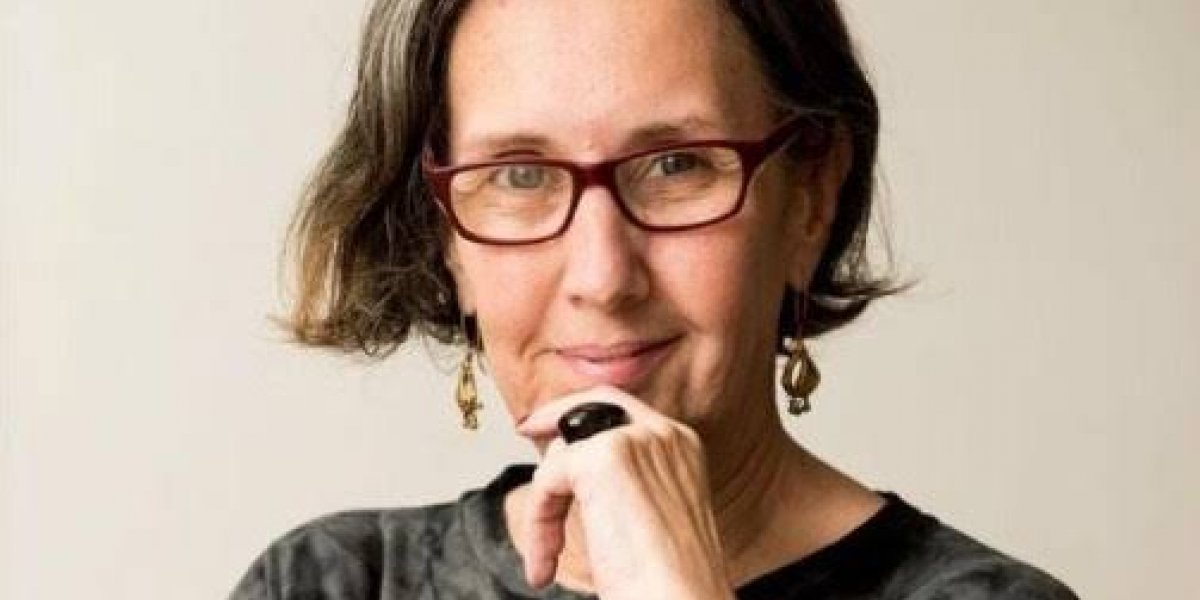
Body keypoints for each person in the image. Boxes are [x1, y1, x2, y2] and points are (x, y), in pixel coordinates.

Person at [230, 0, 1079, 598]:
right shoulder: (330, 584)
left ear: (810, 199)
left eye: (676, 165)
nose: (603, 278)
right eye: (518, 175)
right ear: (446, 235)